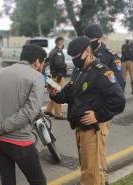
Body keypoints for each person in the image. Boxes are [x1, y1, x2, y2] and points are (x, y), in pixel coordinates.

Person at [48, 37, 125, 185]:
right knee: (90, 169)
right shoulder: (79, 71)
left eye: (77, 56)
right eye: (72, 57)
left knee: (91, 174)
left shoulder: (101, 72)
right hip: (80, 127)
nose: (74, 59)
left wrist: (98, 115)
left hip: (92, 129)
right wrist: (54, 94)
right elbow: (68, 94)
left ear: (87, 51)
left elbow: (118, 101)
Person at [0, 44, 47, 185]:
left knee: (7, 181)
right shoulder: (38, 77)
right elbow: (29, 111)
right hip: (20, 141)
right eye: (43, 62)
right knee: (38, 181)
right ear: (37, 61)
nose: (42, 66)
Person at [84, 24, 125, 184]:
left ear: (100, 39)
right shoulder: (86, 54)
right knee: (96, 150)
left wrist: (101, 112)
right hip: (87, 109)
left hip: (101, 111)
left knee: (97, 149)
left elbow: (119, 89)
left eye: (91, 41)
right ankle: (102, 178)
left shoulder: (110, 57)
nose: (88, 44)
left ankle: (102, 179)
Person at [84, 24, 125, 91]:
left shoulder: (112, 57)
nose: (88, 41)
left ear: (100, 39)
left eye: (91, 39)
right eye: (86, 39)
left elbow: (119, 83)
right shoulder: (84, 54)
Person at [44, 37, 67, 119]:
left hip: (51, 76)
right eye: (63, 42)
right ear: (60, 42)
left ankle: (48, 110)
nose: (64, 44)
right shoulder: (58, 52)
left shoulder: (52, 51)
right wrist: (65, 66)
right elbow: (59, 63)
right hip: (58, 77)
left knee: (54, 93)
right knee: (58, 94)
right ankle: (58, 114)